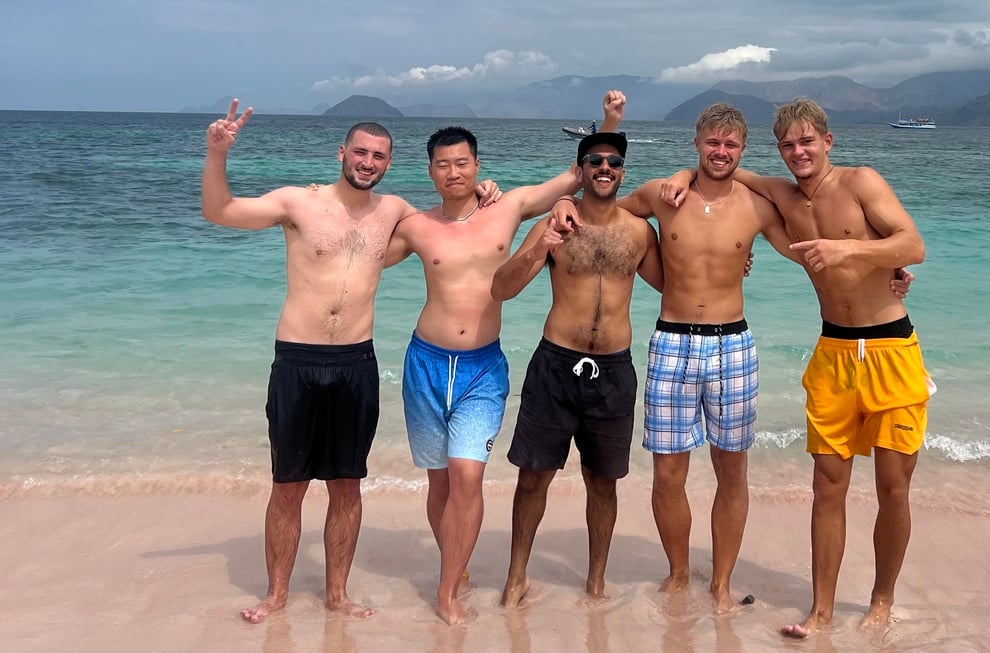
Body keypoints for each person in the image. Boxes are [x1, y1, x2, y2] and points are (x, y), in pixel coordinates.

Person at [550, 103, 912, 614]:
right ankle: (678, 573)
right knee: (668, 475)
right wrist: (565, 202)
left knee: (731, 471)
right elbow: (607, 205)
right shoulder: (662, 194)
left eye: (731, 145)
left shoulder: (758, 206)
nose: (720, 152)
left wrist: (890, 270)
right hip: (672, 339)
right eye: (712, 143)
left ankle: (720, 581)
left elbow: (812, 252)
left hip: (732, 344)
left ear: (742, 151)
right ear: (696, 144)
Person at [201, 99, 498, 624]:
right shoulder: (298, 202)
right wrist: (218, 153)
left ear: (389, 163)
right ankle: (276, 594)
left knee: (347, 486)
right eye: (360, 152)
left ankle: (337, 593)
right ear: (342, 152)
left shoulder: (395, 212)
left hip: (356, 362)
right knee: (287, 486)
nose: (368, 162)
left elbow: (452, 218)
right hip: (296, 359)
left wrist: (484, 190)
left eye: (379, 156)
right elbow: (219, 211)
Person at [665, 98, 931, 637]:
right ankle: (822, 609)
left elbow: (913, 244)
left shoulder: (861, 182)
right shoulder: (782, 195)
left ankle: (881, 600)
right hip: (833, 351)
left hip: (890, 349)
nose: (798, 152)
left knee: (893, 488)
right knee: (827, 487)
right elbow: (721, 167)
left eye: (807, 141)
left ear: (827, 141)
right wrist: (677, 172)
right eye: (788, 144)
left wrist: (849, 252)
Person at [382, 90, 627, 625]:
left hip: (482, 366)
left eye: (462, 162)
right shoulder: (416, 226)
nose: (453, 172)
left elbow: (576, 177)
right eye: (443, 165)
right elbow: (358, 258)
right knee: (440, 482)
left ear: (477, 166)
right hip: (424, 361)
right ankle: (457, 566)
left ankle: (447, 592)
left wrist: (608, 122)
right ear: (429, 171)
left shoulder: (508, 207)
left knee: (467, 477)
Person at [491, 129, 663, 607]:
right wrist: (541, 244)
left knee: (603, 481)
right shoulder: (556, 224)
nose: (604, 167)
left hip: (614, 371)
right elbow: (501, 289)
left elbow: (680, 285)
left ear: (622, 171)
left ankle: (596, 582)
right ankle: (517, 575)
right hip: (556, 364)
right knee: (533, 476)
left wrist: (735, 263)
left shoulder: (638, 232)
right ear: (582, 170)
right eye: (594, 160)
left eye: (612, 161)